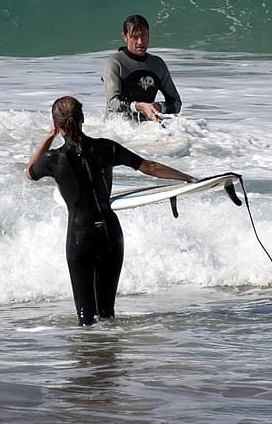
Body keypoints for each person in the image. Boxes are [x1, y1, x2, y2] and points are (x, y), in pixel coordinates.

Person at [26, 96, 195, 326]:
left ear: (57, 125)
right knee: (107, 313)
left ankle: (91, 357)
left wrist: (49, 136)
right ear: (82, 118)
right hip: (110, 234)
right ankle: (109, 357)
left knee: (86, 318)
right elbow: (149, 167)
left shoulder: (53, 159)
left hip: (80, 237)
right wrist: (187, 177)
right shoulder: (105, 147)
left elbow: (29, 172)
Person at [102, 14, 182, 121]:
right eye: (135, 37)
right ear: (125, 37)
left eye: (144, 35)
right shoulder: (115, 62)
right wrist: (138, 106)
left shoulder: (157, 64)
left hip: (146, 127)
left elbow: (176, 103)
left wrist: (160, 107)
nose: (140, 41)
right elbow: (113, 102)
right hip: (116, 129)